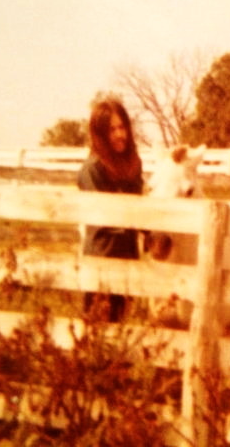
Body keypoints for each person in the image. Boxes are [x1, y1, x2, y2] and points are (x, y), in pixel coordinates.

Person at [78, 99, 143, 322]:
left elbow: (141, 207)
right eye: (112, 130)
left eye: (122, 127)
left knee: (121, 327)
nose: (119, 134)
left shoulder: (133, 165)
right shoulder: (93, 169)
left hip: (128, 258)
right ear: (100, 134)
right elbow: (104, 217)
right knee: (98, 326)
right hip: (102, 258)